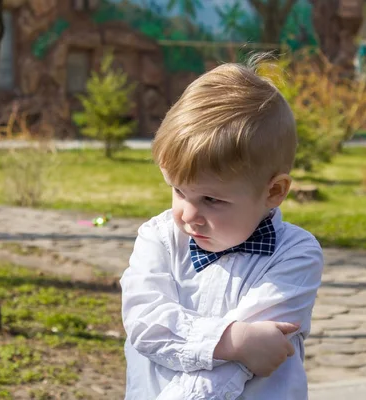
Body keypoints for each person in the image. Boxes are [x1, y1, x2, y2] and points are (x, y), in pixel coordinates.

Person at [120, 60, 324, 400]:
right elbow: (146, 323)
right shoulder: (158, 239)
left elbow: (248, 361)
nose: (188, 214)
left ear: (273, 192)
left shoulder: (296, 255)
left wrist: (238, 350)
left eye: (211, 199)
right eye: (178, 191)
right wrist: (231, 340)